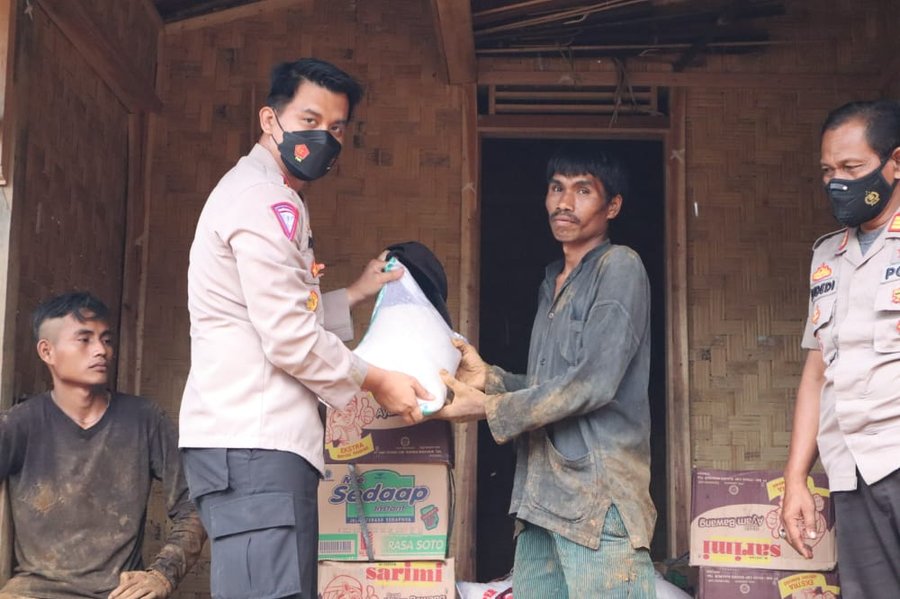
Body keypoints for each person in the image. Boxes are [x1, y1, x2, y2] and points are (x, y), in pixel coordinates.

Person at [179, 58, 427, 599]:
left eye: (336, 128)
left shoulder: (265, 195)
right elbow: (289, 336)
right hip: (254, 446)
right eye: (309, 121)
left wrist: (357, 293)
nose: (324, 138)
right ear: (270, 119)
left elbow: (273, 312)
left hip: (253, 444)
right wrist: (376, 380)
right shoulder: (265, 199)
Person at [434, 143, 656, 598]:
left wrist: (490, 407)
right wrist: (490, 379)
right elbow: (548, 388)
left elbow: (592, 383)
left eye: (582, 190)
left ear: (612, 205)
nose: (564, 203)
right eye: (556, 189)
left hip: (598, 498)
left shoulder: (619, 267)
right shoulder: (552, 280)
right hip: (540, 500)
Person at [0, 292, 205, 599]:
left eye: (106, 340)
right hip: (33, 591)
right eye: (84, 340)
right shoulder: (20, 423)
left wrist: (162, 574)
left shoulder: (144, 419)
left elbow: (196, 503)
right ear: (47, 351)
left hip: (119, 593)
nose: (101, 350)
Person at [781, 100, 900, 598]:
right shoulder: (828, 255)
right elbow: (817, 373)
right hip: (852, 469)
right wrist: (795, 480)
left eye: (852, 168)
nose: (838, 183)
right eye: (828, 171)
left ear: (895, 164)